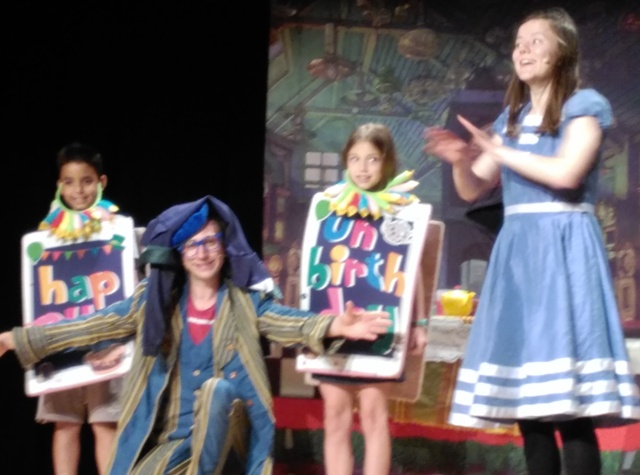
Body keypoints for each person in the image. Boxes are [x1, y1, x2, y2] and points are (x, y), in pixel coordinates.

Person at [0, 195, 392, 474]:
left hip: (229, 442)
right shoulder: (155, 304)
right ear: (179, 254)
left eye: (210, 241)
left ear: (224, 246)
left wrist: (337, 324)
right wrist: (14, 339)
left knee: (216, 391)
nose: (202, 253)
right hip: (171, 444)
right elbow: (92, 325)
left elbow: (290, 322)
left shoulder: (244, 302)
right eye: (192, 245)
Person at [423, 7, 640, 475]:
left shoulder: (585, 105)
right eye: (518, 43)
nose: (522, 50)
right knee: (530, 408)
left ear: (562, 51)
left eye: (535, 41)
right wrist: (460, 160)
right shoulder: (513, 117)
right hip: (520, 254)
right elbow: (473, 187)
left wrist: (500, 151)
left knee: (570, 407)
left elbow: (566, 173)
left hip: (564, 248)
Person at [313, 123, 428, 475]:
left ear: (386, 162)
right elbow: (313, 262)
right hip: (335, 323)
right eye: (355, 159)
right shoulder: (329, 205)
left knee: (374, 415)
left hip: (381, 323)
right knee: (335, 415)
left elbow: (411, 269)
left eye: (372, 159)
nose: (362, 168)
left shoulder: (401, 208)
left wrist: (420, 322)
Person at [34, 142, 127, 475]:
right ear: (59, 185)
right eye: (69, 182)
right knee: (65, 424)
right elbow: (39, 289)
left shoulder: (116, 227)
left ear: (101, 182)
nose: (78, 190)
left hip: (107, 343)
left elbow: (127, 273)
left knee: (105, 423)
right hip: (63, 343)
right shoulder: (48, 234)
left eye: (87, 181)